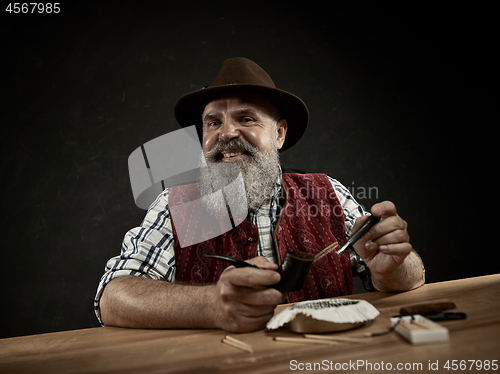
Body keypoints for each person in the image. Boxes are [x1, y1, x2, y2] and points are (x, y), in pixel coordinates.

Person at [95, 58, 424, 333]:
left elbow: (404, 280)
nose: (226, 133)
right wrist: (209, 305)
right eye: (212, 123)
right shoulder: (180, 206)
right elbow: (113, 297)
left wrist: (390, 267)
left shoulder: (328, 195)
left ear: (279, 134)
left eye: (246, 118)